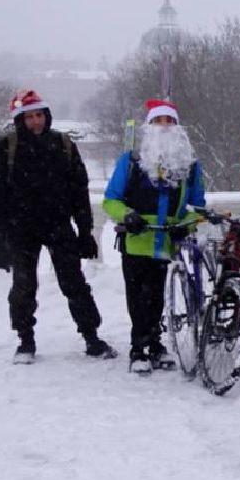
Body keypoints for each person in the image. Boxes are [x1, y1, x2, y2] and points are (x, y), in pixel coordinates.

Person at [0, 89, 113, 363]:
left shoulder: (63, 144)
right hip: (20, 229)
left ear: (47, 115)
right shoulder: (4, 148)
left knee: (74, 283)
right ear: (20, 119)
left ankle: (91, 337)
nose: (36, 121)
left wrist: (85, 232)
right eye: (29, 117)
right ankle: (25, 341)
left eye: (39, 115)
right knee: (23, 286)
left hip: (58, 225)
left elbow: (79, 191)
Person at [102, 99, 206, 374]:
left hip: (167, 241)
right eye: (158, 121)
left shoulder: (189, 166)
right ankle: (139, 348)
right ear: (149, 126)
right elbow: (110, 200)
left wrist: (187, 225)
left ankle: (155, 344)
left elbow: (198, 207)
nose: (164, 126)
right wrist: (127, 216)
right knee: (137, 298)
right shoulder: (131, 161)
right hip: (136, 241)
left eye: (169, 121)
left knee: (158, 296)